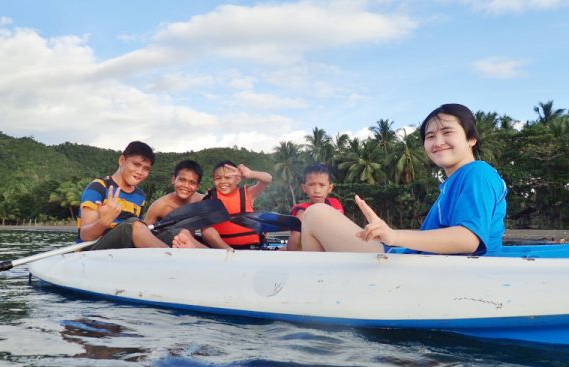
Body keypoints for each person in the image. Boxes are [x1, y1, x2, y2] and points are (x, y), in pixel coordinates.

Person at [301, 103, 507, 255]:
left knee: (315, 213)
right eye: (430, 136)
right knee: (314, 215)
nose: (438, 142)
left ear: (471, 139)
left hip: (426, 273)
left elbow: (468, 239)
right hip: (417, 263)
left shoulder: (478, 173)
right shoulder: (456, 181)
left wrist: (394, 236)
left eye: (447, 132)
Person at [77, 141, 169, 250]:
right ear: (122, 160)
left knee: (172, 234)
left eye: (146, 168)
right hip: (92, 251)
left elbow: (139, 231)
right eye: (136, 164)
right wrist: (103, 222)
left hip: (123, 251)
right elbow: (85, 235)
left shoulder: (139, 196)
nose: (140, 172)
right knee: (133, 225)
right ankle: (169, 256)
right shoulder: (98, 187)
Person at [199, 160, 273, 249]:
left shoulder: (248, 194)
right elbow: (206, 233)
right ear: (213, 180)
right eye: (218, 178)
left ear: (237, 179)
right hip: (222, 250)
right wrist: (229, 251)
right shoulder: (208, 199)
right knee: (206, 230)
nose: (223, 181)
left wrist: (251, 173)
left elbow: (267, 179)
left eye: (228, 178)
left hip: (250, 249)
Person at [143, 159, 207, 247]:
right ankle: (214, 254)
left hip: (192, 245)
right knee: (182, 233)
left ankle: (220, 251)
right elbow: (145, 234)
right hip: (168, 246)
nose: (186, 186)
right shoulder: (160, 206)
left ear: (197, 186)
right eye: (182, 180)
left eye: (192, 183)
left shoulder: (202, 201)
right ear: (173, 179)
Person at [286, 163, 344, 251]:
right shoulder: (303, 212)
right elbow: (294, 238)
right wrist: (291, 257)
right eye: (311, 185)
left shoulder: (335, 204)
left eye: (322, 185)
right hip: (314, 254)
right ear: (304, 188)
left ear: (330, 188)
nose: (317, 190)